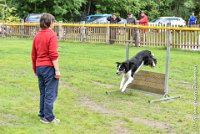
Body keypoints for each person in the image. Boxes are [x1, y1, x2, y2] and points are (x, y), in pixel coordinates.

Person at [31, 13, 60, 123]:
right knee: (50, 93)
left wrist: (35, 68)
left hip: (39, 67)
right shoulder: (52, 34)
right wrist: (57, 70)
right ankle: (48, 117)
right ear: (50, 22)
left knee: (43, 92)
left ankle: (42, 113)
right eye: (54, 21)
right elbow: (53, 54)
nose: (54, 23)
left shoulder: (37, 35)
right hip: (48, 67)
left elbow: (33, 54)